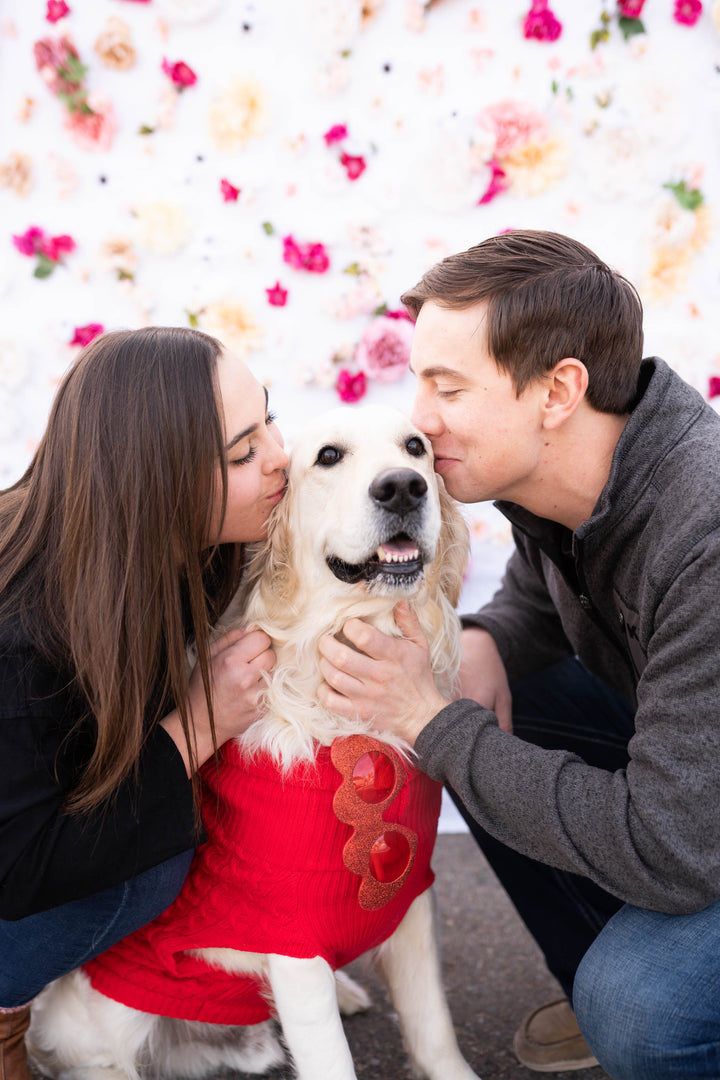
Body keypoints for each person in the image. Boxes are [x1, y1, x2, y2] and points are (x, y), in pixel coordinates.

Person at [317, 230, 720, 1079]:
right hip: (699, 779)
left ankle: (655, 1012)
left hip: (692, 832)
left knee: (640, 1008)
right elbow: (552, 592)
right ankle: (596, 984)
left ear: (559, 390)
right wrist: (486, 637)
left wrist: (434, 722)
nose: (420, 418)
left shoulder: (703, 532)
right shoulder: (578, 474)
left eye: (448, 387)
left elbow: (676, 849)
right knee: (500, 698)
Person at [0, 326, 289, 1079]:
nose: (279, 457)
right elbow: (16, 866)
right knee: (147, 866)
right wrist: (201, 722)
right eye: (241, 454)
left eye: (270, 419)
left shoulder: (149, 545)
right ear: (151, 481)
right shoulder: (21, 633)